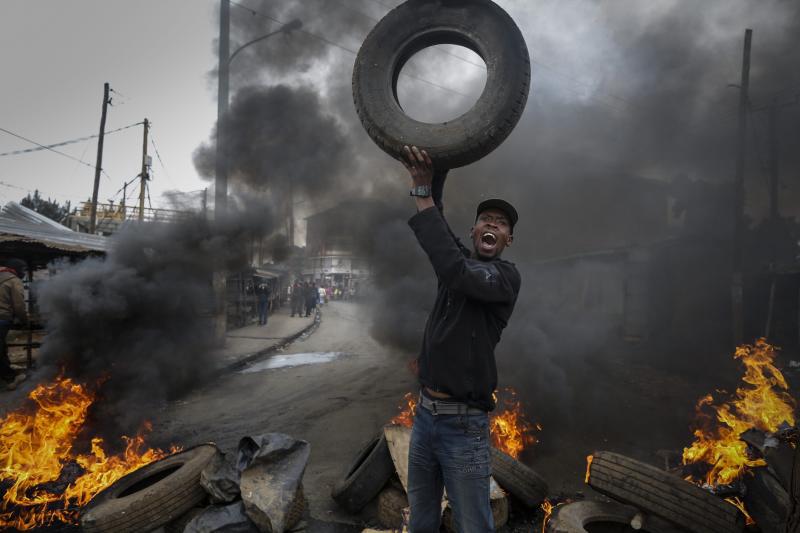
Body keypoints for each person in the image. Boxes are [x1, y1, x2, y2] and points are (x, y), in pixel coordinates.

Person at [401, 146, 521, 532]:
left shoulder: (503, 279)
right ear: (473, 232)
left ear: (508, 240)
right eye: (485, 219)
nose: (492, 225)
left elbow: (453, 269)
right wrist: (438, 169)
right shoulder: (457, 263)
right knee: (421, 517)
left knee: (473, 524)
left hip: (464, 427)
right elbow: (441, 245)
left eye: (500, 224)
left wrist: (422, 192)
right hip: (424, 419)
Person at [0, 258, 29, 391]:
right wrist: (24, 321)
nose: (24, 272)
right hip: (2, 318)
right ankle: (10, 378)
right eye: (23, 269)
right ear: (15, 269)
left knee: (1, 347)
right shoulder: (14, 280)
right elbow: (18, 305)